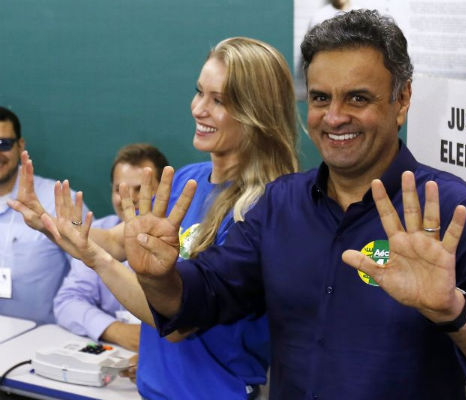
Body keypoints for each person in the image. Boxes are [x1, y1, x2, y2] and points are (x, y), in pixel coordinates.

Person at [102, 10, 466, 400]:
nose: (334, 117)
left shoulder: (456, 212)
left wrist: (454, 311)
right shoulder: (281, 205)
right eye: (321, 98)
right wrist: (158, 276)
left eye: (358, 97)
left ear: (403, 101)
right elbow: (203, 297)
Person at [11, 37, 298, 399]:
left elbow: (178, 322)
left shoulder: (266, 207)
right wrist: (52, 225)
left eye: (219, 100)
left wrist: (95, 259)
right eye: (199, 92)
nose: (198, 108)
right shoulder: (183, 181)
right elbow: (117, 241)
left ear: (258, 112)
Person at [53, 143, 168, 352]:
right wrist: (116, 330)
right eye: (119, 190)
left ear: (165, 190)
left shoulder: (184, 239)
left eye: (140, 189)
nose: (129, 199)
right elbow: (67, 301)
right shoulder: (95, 232)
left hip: (168, 356)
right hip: (113, 352)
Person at [0, 106, 87, 324]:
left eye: (3, 144)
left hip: (44, 338)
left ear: (20, 146)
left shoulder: (58, 200)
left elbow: (89, 270)